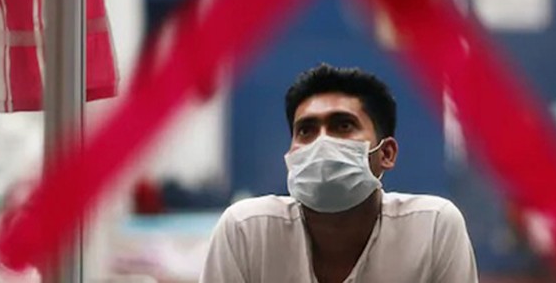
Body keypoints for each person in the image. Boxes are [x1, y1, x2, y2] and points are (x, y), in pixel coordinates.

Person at [199, 64, 478, 282]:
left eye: (343, 126)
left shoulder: (432, 228)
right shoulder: (247, 231)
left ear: (386, 153)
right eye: (306, 130)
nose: (322, 142)